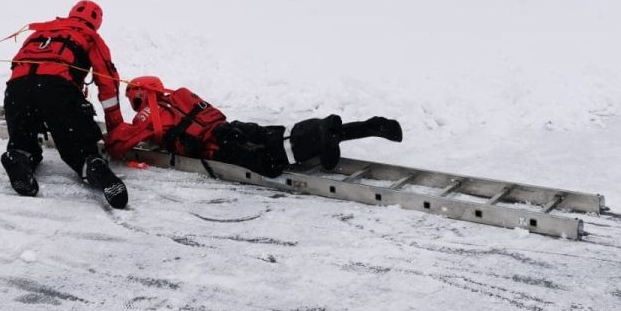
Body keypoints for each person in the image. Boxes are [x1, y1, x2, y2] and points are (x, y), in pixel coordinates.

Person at [104, 75, 403, 177]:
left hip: (217, 144)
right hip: (231, 127)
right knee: (281, 136)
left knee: (271, 161)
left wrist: (109, 141)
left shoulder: (148, 113)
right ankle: (361, 127)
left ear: (138, 95)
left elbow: (121, 146)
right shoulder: (177, 97)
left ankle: (323, 134)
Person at [0, 0, 129, 209]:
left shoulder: (40, 31)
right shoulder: (91, 37)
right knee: (79, 148)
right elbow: (108, 83)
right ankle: (93, 165)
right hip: (57, 90)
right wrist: (115, 127)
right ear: (97, 22)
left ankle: (18, 156)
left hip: (16, 90)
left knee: (23, 141)